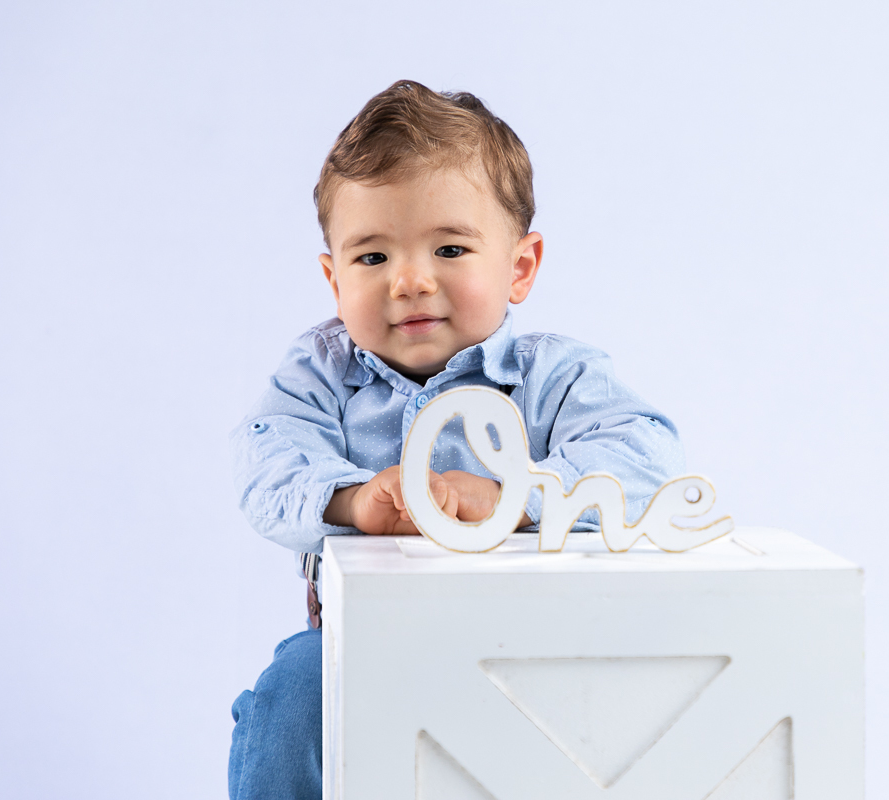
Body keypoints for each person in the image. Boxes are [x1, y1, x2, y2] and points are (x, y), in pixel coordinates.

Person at [227, 80, 686, 800]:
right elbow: (266, 464)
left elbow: (646, 452)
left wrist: (515, 495)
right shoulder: (320, 373)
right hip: (360, 648)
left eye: (448, 248)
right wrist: (348, 500)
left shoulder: (553, 376)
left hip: (528, 647)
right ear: (333, 277)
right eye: (372, 258)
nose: (409, 281)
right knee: (290, 695)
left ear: (520, 266)